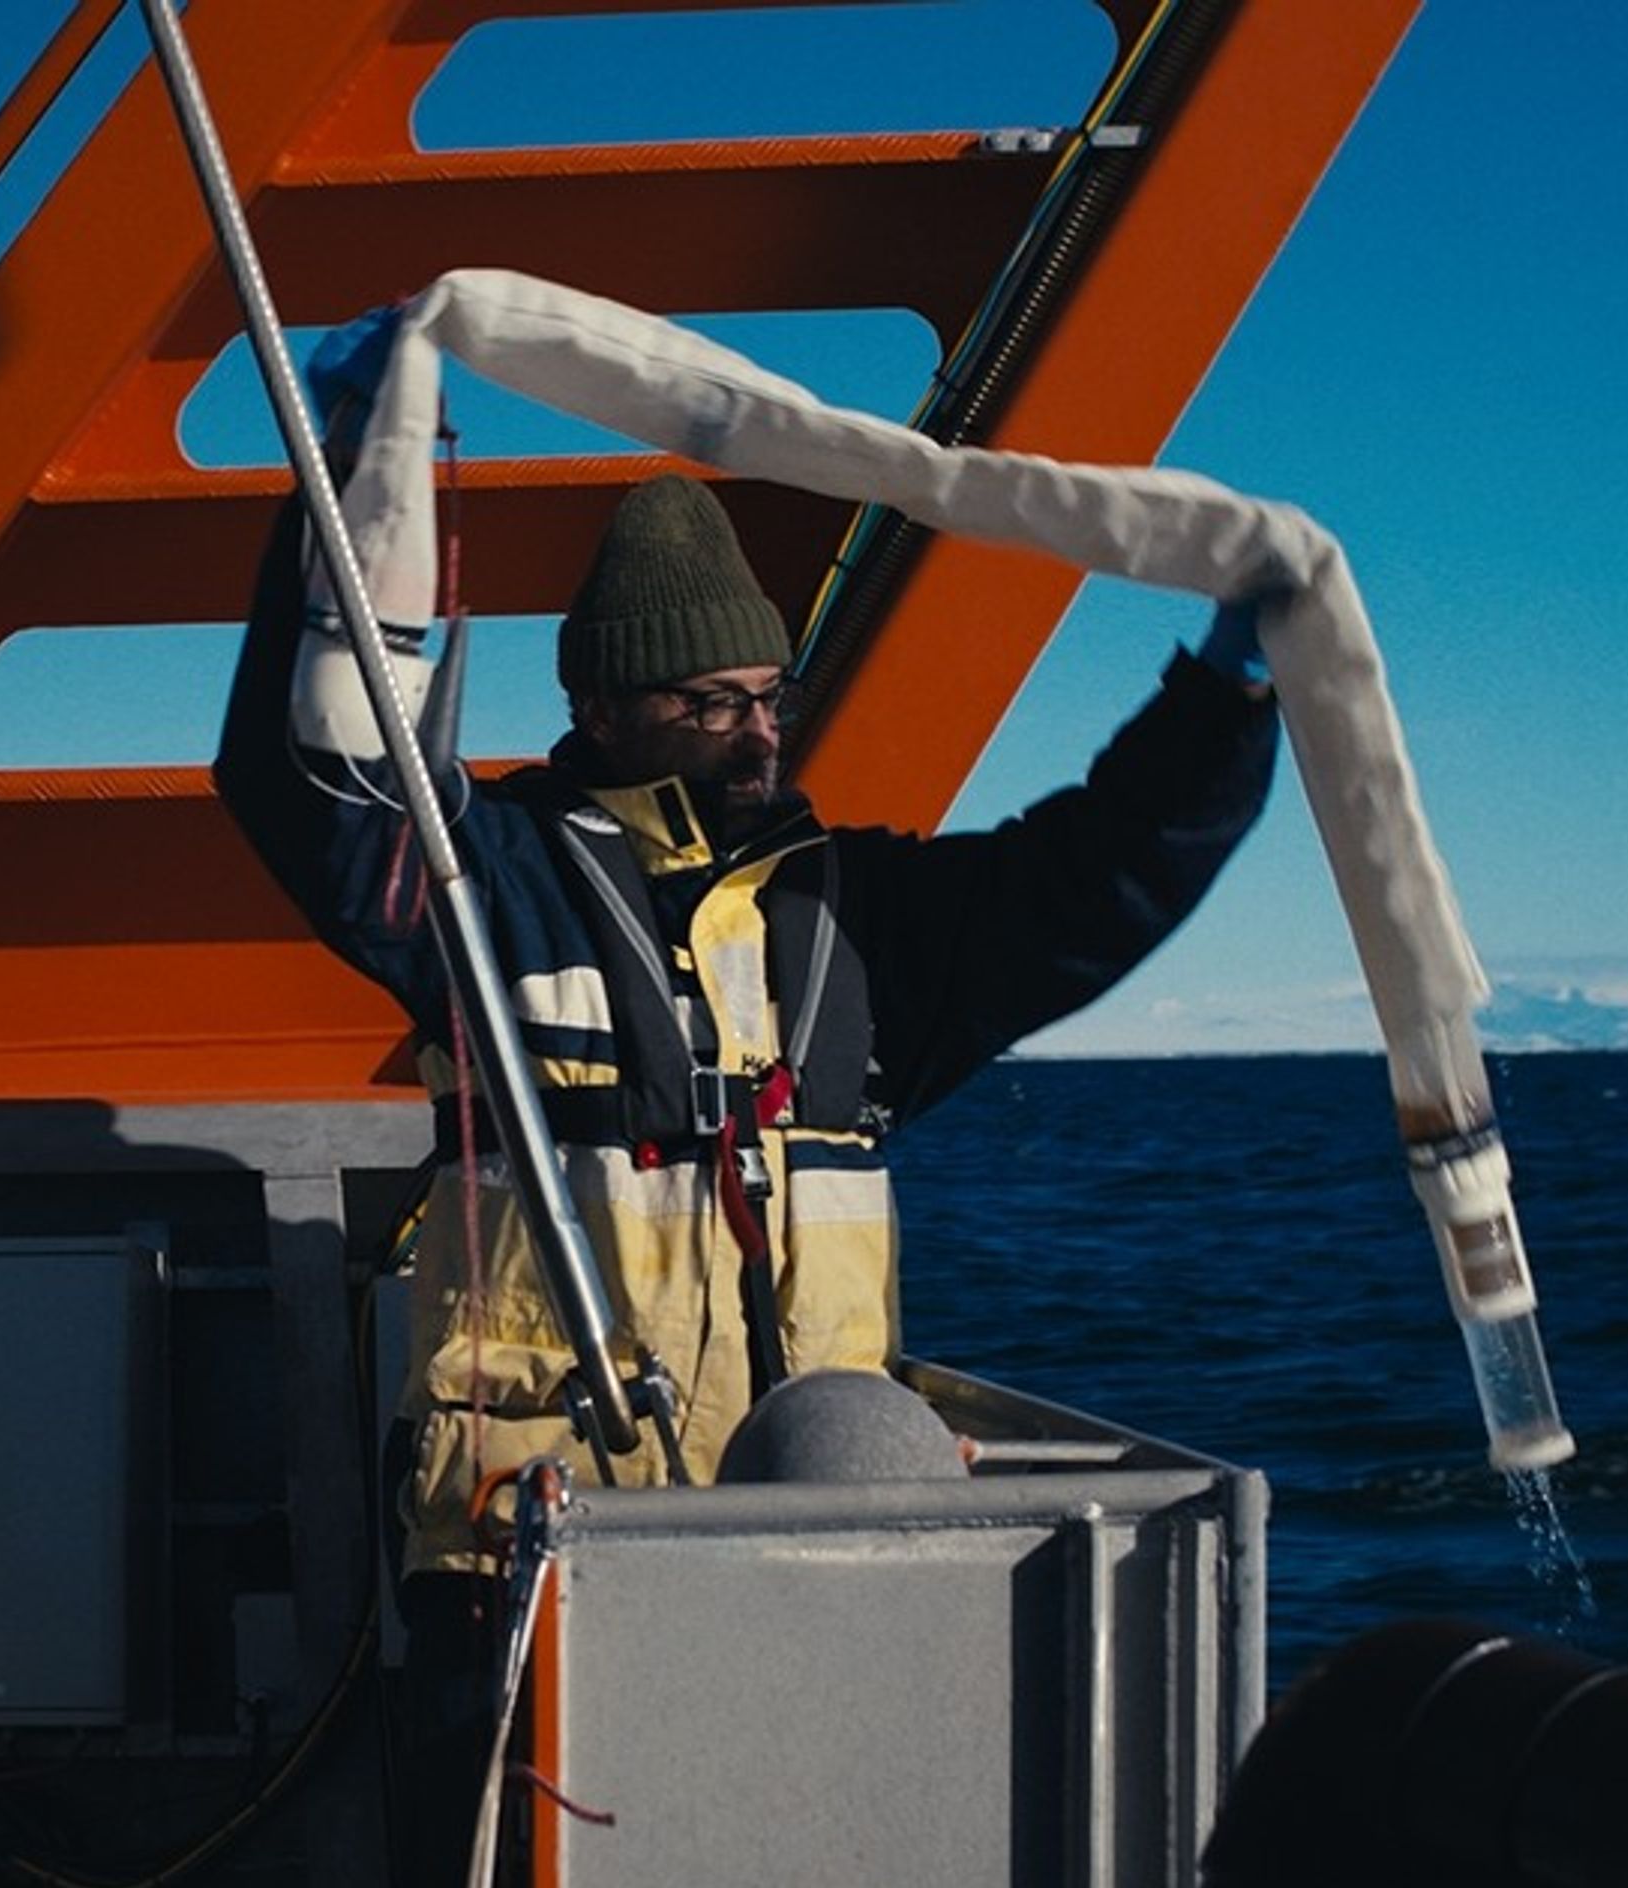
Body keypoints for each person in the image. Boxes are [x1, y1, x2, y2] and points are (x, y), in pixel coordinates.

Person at [219, 470, 1281, 1577]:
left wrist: (1228, 694)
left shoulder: (854, 916)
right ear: (603, 708)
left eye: (771, 697)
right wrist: (346, 488)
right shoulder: (484, 884)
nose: (759, 736)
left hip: (814, 1554)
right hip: (531, 1551)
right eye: (713, 702)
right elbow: (302, 789)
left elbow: (1101, 875)